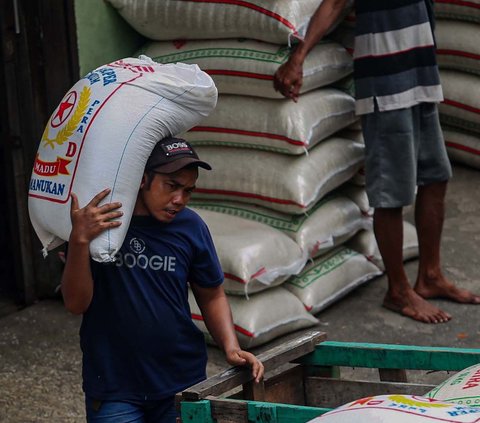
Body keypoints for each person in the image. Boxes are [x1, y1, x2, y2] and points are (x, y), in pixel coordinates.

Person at [274, 0, 480, 324]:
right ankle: (397, 291)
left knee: (436, 177)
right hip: (386, 84)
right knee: (391, 193)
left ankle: (430, 275)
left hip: (422, 76)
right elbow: (335, 3)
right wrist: (298, 57)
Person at [61, 137, 264, 423]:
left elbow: (211, 294)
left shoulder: (190, 228)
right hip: (113, 385)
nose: (179, 199)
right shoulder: (101, 226)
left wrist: (230, 347)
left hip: (181, 381)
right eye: (171, 186)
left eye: (188, 190)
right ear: (143, 179)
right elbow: (75, 303)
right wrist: (79, 240)